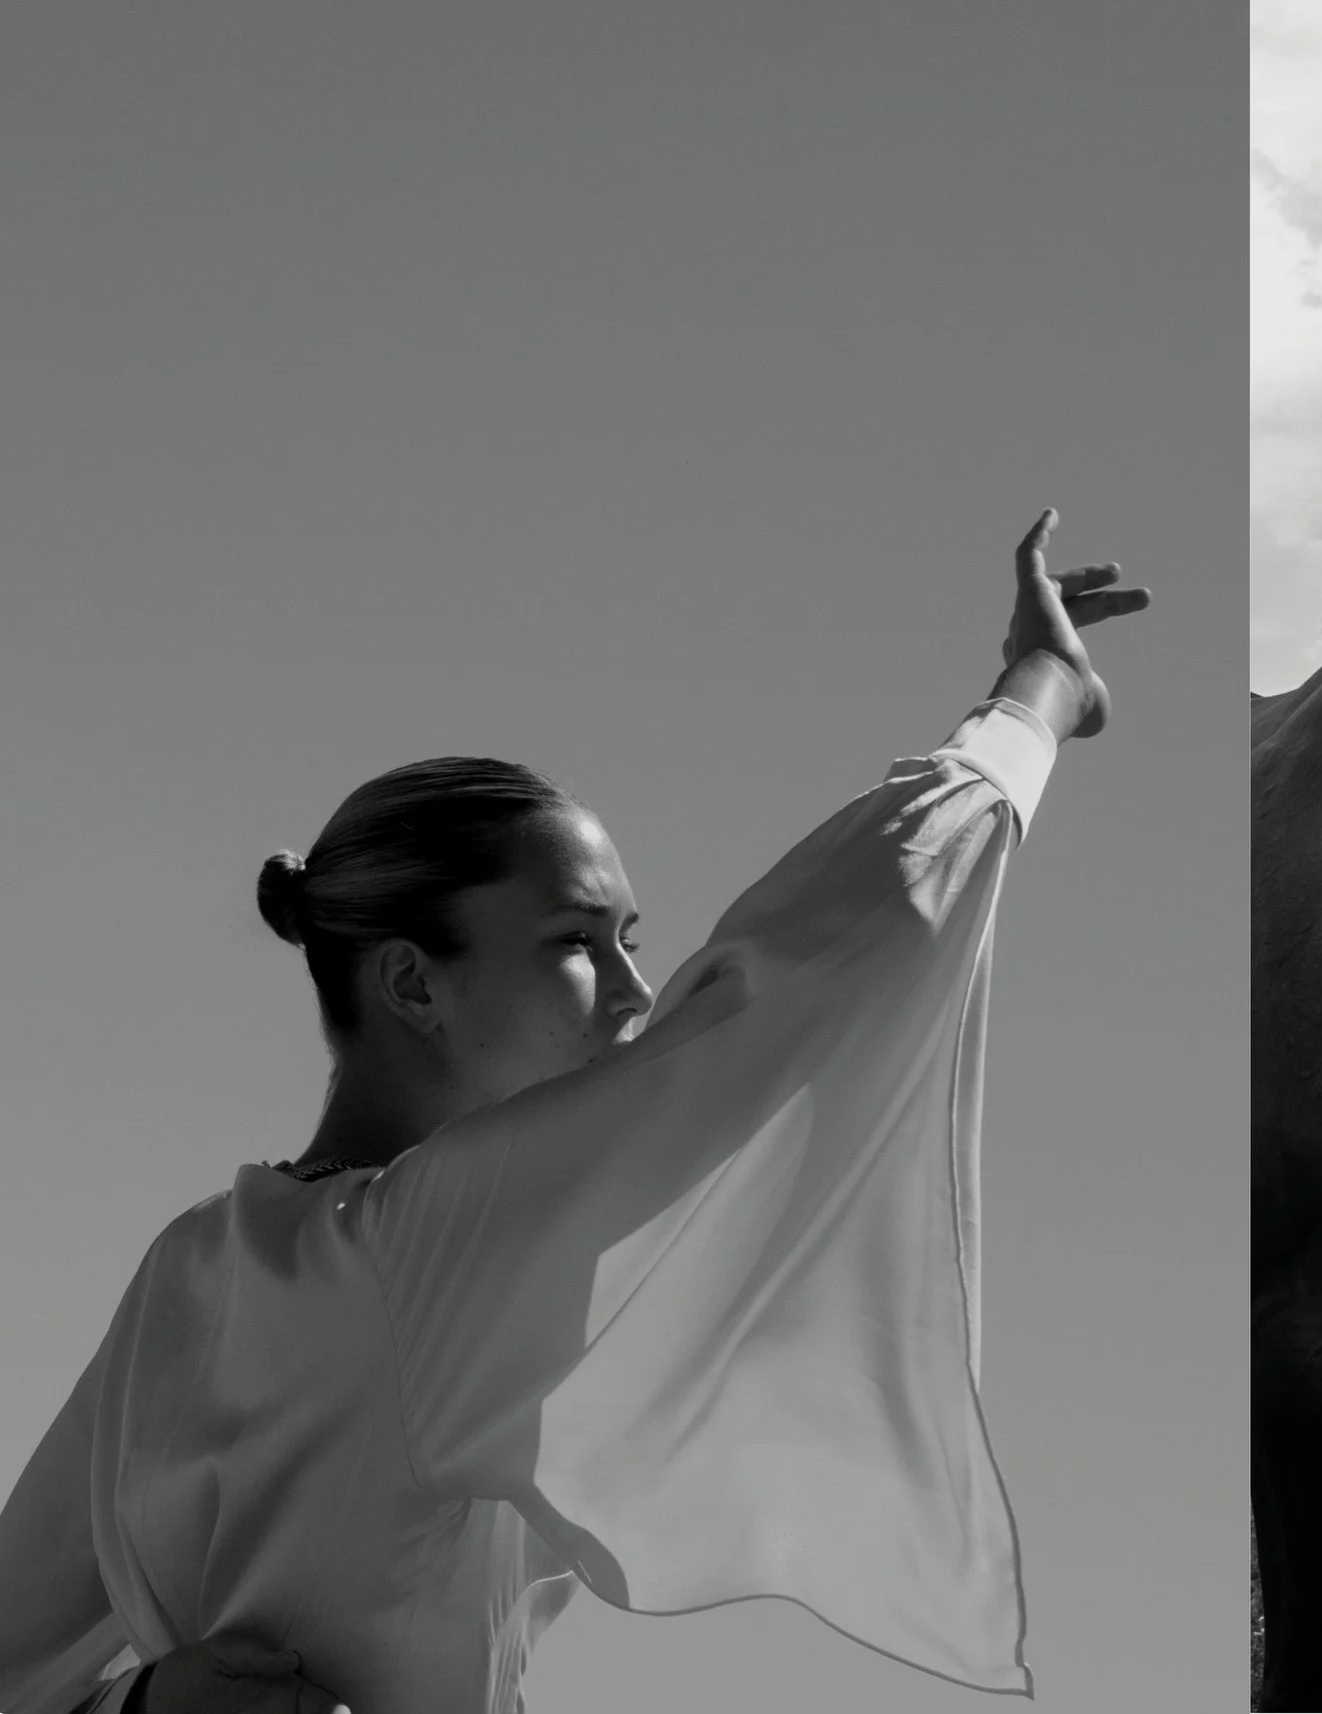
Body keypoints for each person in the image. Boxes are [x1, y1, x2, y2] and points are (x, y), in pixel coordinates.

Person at [0, 513, 1148, 1714]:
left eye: (630, 942)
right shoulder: (434, 1241)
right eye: (578, 943)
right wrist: (1036, 700)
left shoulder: (191, 1264)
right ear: (408, 980)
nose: (639, 991)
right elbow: (842, 948)